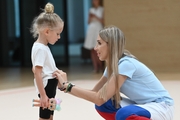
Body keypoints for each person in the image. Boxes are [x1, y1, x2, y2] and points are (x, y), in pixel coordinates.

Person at [53, 26, 174, 120]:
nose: (95, 48)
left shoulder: (126, 64)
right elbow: (96, 94)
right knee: (104, 104)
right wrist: (64, 86)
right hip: (143, 105)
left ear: (111, 45)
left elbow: (99, 97)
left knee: (123, 113)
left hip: (162, 106)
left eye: (99, 43)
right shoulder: (112, 67)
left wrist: (67, 86)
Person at [30, 2, 64, 120]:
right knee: (44, 116)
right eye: (58, 33)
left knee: (50, 115)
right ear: (47, 31)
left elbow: (37, 68)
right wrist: (43, 95)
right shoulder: (40, 48)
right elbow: (37, 72)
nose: (59, 37)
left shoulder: (43, 47)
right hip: (46, 87)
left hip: (50, 85)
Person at [83, 0, 104, 73]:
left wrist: (96, 16)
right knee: (92, 49)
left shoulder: (102, 9)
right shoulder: (91, 10)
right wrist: (90, 16)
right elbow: (88, 22)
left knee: (97, 48)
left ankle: (101, 67)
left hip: (98, 28)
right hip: (91, 29)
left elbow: (103, 21)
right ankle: (95, 67)